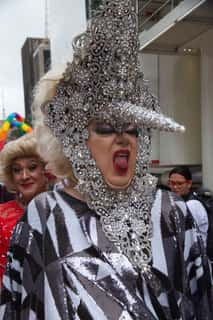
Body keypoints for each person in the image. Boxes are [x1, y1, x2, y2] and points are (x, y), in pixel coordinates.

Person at [0, 1, 212, 319]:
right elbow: (18, 306)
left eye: (132, 126)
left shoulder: (171, 212)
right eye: (104, 127)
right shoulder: (43, 218)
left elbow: (201, 302)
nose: (123, 137)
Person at [0, 132, 50, 285]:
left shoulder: (63, 211)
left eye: (32, 167)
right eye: (17, 170)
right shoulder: (1, 215)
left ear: (46, 170)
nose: (24, 176)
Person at [168, 166, 209, 246]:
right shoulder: (178, 203)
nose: (175, 187)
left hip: (195, 256)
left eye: (179, 183)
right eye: (172, 183)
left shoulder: (193, 205)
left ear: (189, 184)